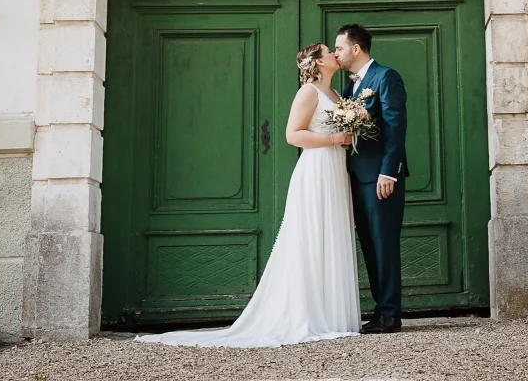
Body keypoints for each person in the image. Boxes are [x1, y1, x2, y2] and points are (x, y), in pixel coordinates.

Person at [136, 42, 361, 348]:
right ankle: (307, 314)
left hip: (335, 169)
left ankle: (332, 314)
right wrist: (335, 138)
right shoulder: (308, 92)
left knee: (331, 234)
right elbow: (292, 135)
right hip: (316, 169)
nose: (335, 54)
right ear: (319, 62)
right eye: (328, 51)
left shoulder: (335, 94)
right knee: (310, 236)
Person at [334, 23, 408, 334]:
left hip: (381, 176)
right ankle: (381, 310)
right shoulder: (350, 86)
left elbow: (395, 127)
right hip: (357, 175)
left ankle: (390, 314)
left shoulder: (385, 77)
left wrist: (388, 171)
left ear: (356, 48)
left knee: (384, 243)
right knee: (369, 243)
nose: (336, 54)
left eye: (339, 48)